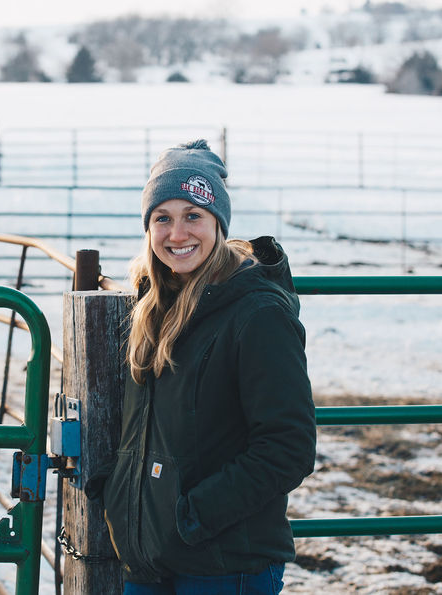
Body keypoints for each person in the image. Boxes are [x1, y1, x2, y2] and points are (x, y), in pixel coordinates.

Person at [97, 139, 317, 594]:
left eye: (193, 215)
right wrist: (118, 494)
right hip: (151, 555)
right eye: (163, 218)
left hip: (224, 563)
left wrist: (194, 515)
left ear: (218, 222)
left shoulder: (258, 314)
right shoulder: (153, 305)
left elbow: (288, 446)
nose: (177, 234)